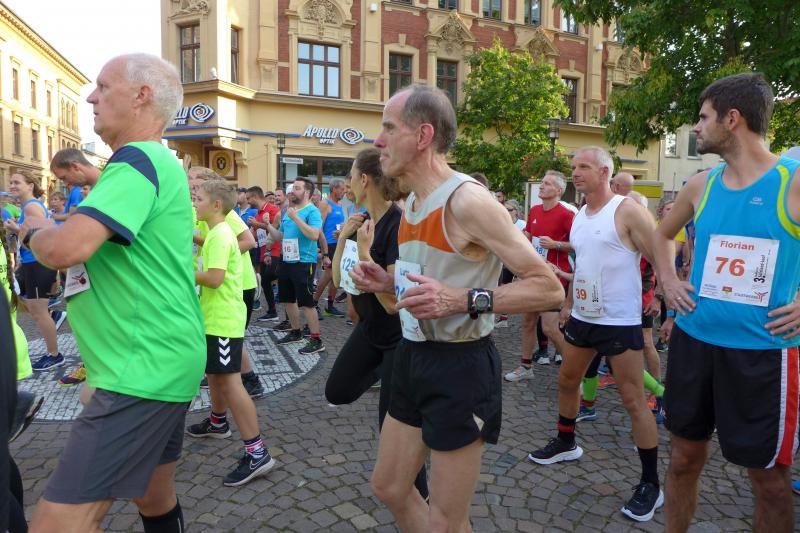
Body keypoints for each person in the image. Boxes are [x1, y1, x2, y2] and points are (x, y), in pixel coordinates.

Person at [350, 83, 563, 531]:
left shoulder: (468, 201)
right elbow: (431, 277)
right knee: (389, 486)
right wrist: (387, 281)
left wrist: (461, 300)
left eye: (389, 128)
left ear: (423, 135)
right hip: (412, 355)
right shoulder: (411, 202)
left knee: (447, 521)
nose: (378, 141)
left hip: (460, 367)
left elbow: (548, 289)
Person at [21, 53, 205, 533]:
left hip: (142, 367)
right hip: (165, 357)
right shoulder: (157, 162)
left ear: (141, 95)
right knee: (153, 496)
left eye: (103, 86)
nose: (91, 97)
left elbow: (67, 248)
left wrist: (33, 231)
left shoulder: (136, 159)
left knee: (57, 524)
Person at [653, 73, 800, 533]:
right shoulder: (701, 184)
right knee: (682, 458)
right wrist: (668, 280)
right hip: (695, 342)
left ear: (732, 119)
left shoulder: (792, 181)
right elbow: (661, 236)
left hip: (764, 352)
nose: (696, 127)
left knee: (770, 482)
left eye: (703, 117)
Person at [528, 146, 663, 522]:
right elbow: (584, 263)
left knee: (633, 399)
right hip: (584, 316)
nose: (575, 172)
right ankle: (566, 441)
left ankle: (651, 484)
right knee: (567, 380)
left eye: (583, 166)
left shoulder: (627, 210)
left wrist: (660, 296)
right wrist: (569, 303)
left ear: (604, 172)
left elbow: (659, 254)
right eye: (574, 166)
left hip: (619, 321)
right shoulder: (580, 215)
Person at [326, 146, 429, 500]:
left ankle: (422, 498)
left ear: (365, 179)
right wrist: (344, 238)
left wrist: (365, 252)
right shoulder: (360, 221)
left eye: (351, 176)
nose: (347, 183)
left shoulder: (398, 226)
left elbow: (393, 303)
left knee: (393, 430)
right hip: (370, 332)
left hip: (398, 339)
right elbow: (339, 282)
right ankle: (390, 379)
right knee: (336, 391)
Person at [187, 179, 275, 485]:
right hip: (214, 318)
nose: (194, 202)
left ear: (215, 205)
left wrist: (181, 272)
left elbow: (214, 278)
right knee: (215, 374)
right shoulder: (215, 233)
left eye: (199, 198)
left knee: (231, 382)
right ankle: (217, 422)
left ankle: (257, 452)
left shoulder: (221, 234)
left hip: (223, 319)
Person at [188, 168, 264, 398]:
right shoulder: (199, 210)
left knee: (230, 335)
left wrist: (222, 261)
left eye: (194, 179)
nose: (190, 183)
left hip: (239, 283)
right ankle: (218, 375)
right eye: (188, 179)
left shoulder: (223, 213)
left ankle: (249, 379)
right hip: (217, 281)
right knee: (225, 337)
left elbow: (248, 241)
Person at [505, 171, 574, 379]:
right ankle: (526, 367)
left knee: (550, 328)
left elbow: (579, 245)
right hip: (533, 276)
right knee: (528, 322)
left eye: (547, 183)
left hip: (554, 278)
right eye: (542, 182)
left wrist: (556, 244)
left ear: (559, 190)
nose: (542, 186)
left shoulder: (566, 215)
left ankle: (576, 371)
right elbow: (527, 239)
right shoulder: (534, 210)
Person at [2, 170, 66, 371]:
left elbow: (45, 235)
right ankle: (54, 315)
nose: (12, 185)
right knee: (21, 298)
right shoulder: (28, 206)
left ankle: (54, 355)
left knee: (38, 312)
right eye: (11, 182)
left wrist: (15, 228)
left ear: (30, 185)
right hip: (31, 263)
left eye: (17, 182)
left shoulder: (31, 207)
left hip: (38, 263)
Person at [263, 177, 326, 354]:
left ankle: (316, 339)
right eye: (292, 188)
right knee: (287, 299)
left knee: (307, 302)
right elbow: (280, 237)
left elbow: (314, 235)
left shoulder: (312, 211)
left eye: (297, 188)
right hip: (286, 259)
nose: (292, 191)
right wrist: (268, 225)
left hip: (304, 262)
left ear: (307, 192)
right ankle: (295, 331)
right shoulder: (289, 212)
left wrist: (296, 218)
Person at [246, 186, 281, 322]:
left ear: (255, 197)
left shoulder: (272, 209)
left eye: (249, 198)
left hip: (274, 250)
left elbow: (276, 227)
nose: (248, 201)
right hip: (262, 251)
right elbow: (255, 235)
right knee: (265, 282)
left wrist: (257, 224)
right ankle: (272, 311)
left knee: (268, 278)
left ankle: (278, 308)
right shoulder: (257, 213)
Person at [313, 179, 346, 317]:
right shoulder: (325, 204)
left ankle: (330, 306)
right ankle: (314, 303)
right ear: (334, 189)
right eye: (342, 189)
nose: (344, 192)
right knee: (328, 274)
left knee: (335, 276)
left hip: (339, 244)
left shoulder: (340, 204)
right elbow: (319, 227)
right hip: (329, 244)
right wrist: (322, 248)